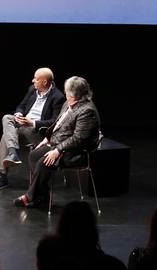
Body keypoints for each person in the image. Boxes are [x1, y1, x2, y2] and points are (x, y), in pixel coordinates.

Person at [14, 76, 100, 209]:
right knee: (34, 155)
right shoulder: (68, 104)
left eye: (67, 91)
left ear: (74, 94)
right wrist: (46, 139)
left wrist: (57, 150)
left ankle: (30, 196)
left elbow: (78, 138)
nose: (65, 93)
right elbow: (57, 124)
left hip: (75, 152)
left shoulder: (87, 110)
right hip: (58, 145)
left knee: (44, 162)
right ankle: (42, 197)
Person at [0, 67, 65, 190]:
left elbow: (55, 122)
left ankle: (2, 176)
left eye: (36, 79)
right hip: (23, 125)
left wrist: (32, 122)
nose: (33, 81)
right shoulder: (32, 89)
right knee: (7, 118)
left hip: (38, 132)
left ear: (44, 82)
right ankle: (12, 154)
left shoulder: (58, 97)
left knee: (7, 136)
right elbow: (21, 106)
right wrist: (18, 114)